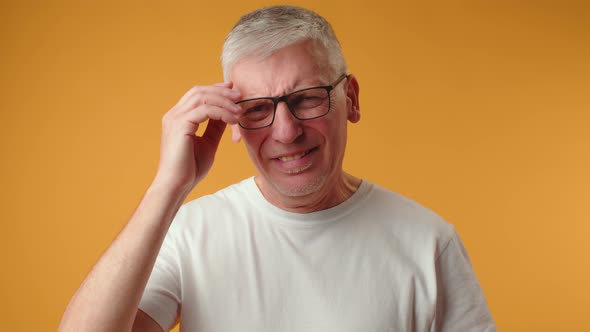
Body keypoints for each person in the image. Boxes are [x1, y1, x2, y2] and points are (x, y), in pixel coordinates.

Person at [58, 5, 496, 332]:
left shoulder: (428, 243)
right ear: (232, 121)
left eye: (306, 98)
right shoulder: (191, 233)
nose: (285, 131)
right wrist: (166, 189)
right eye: (257, 108)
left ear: (353, 100)